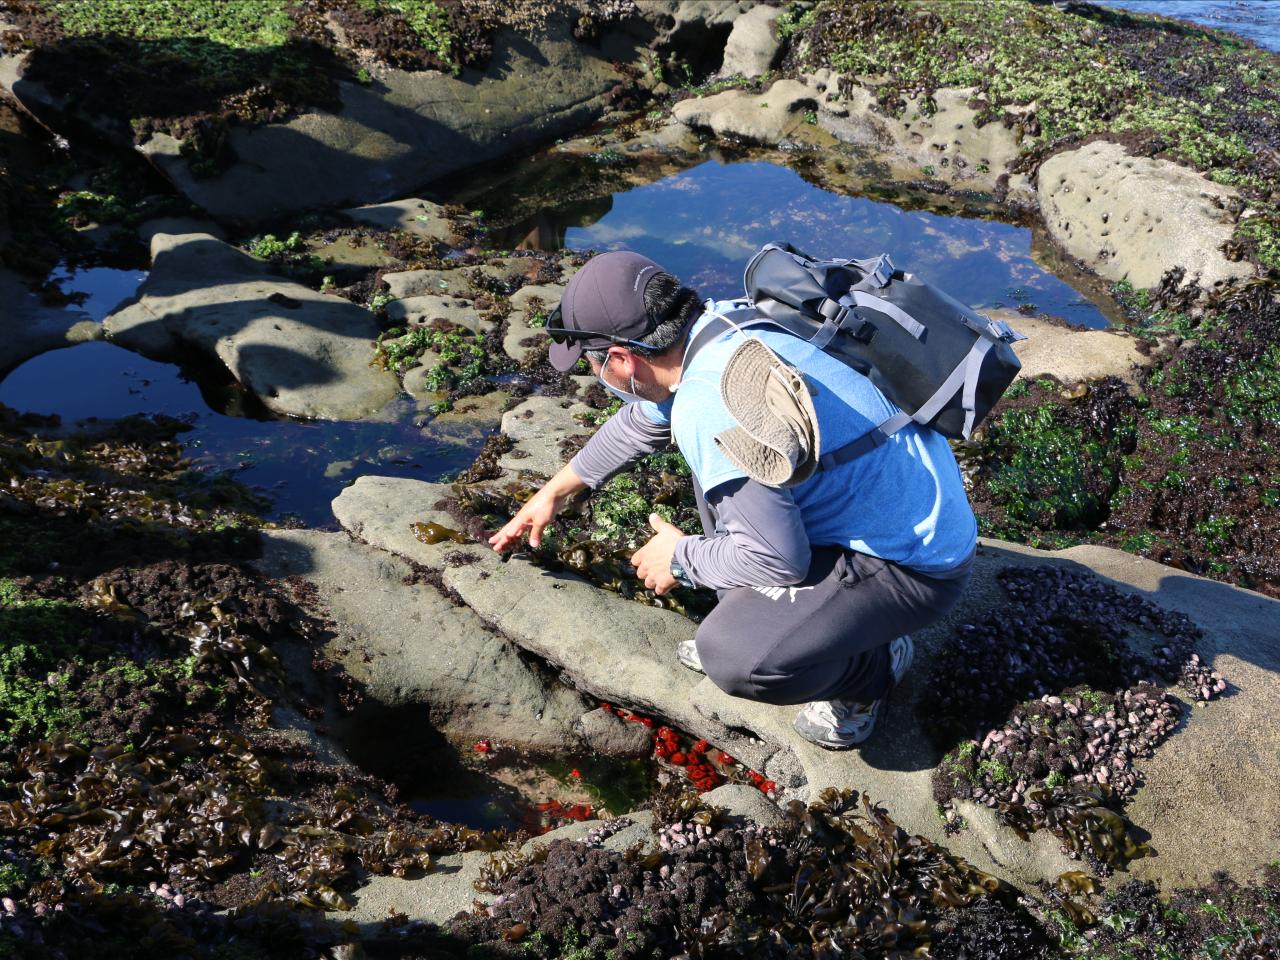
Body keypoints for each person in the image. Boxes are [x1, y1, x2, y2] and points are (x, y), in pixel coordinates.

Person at [488, 250, 977, 749]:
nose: (593, 374)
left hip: (910, 567)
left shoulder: (710, 402)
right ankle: (809, 624)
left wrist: (679, 559)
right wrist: (553, 493)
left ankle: (869, 672)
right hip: (898, 509)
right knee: (721, 478)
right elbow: (644, 421)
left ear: (620, 359)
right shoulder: (725, 323)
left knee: (737, 658)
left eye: (591, 363)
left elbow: (778, 559)